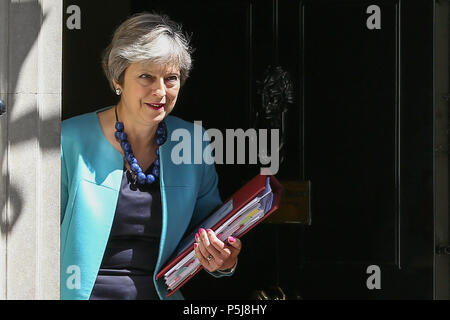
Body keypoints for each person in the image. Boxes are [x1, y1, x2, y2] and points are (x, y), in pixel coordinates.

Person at [60, 12, 242, 300]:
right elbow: (33, 240)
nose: (160, 91)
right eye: (146, 76)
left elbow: (210, 230)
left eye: (171, 78)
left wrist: (223, 259)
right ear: (117, 78)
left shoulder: (193, 142)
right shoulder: (68, 141)